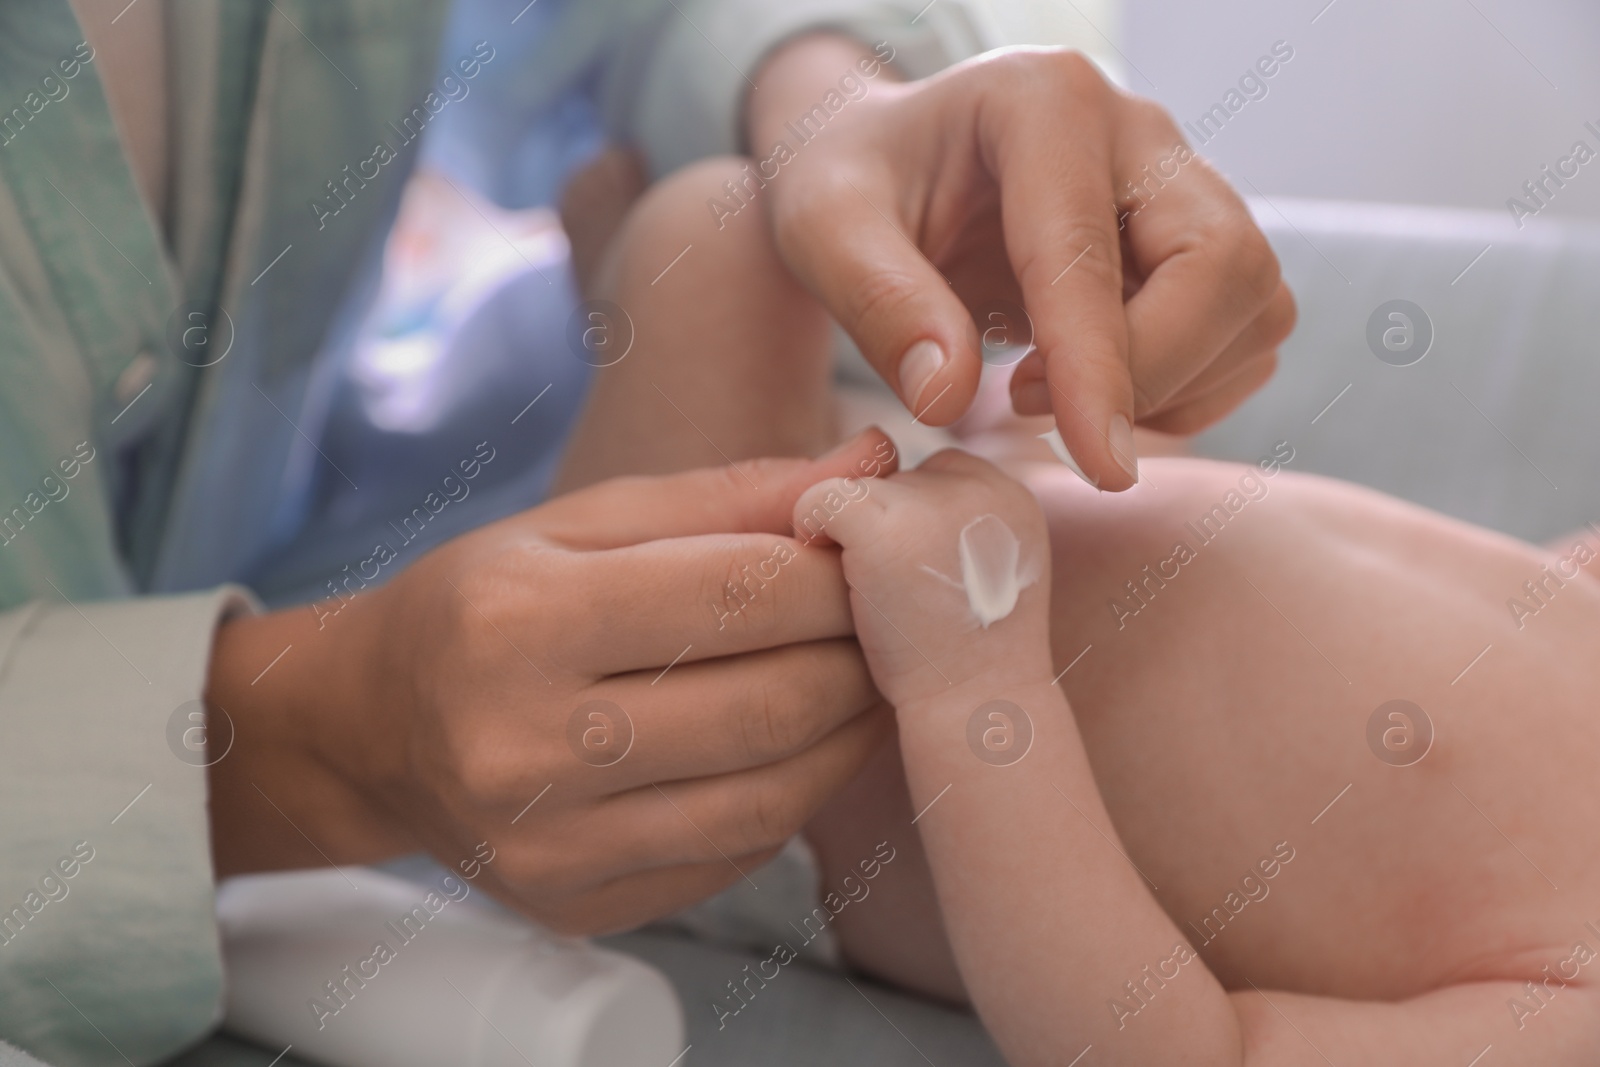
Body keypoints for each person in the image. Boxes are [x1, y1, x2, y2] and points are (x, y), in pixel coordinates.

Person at [0, 0, 1287, 1063]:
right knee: (716, 239)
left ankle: (645, 278)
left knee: (731, 230)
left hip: (795, 603)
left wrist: (831, 100)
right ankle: (640, 281)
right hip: (785, 720)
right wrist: (978, 690)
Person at [549, 148, 1600, 1064]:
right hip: (985, 504)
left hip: (782, 738)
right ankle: (711, 368)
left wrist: (976, 685)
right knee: (809, 227)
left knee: (710, 229)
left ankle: (640, 338)